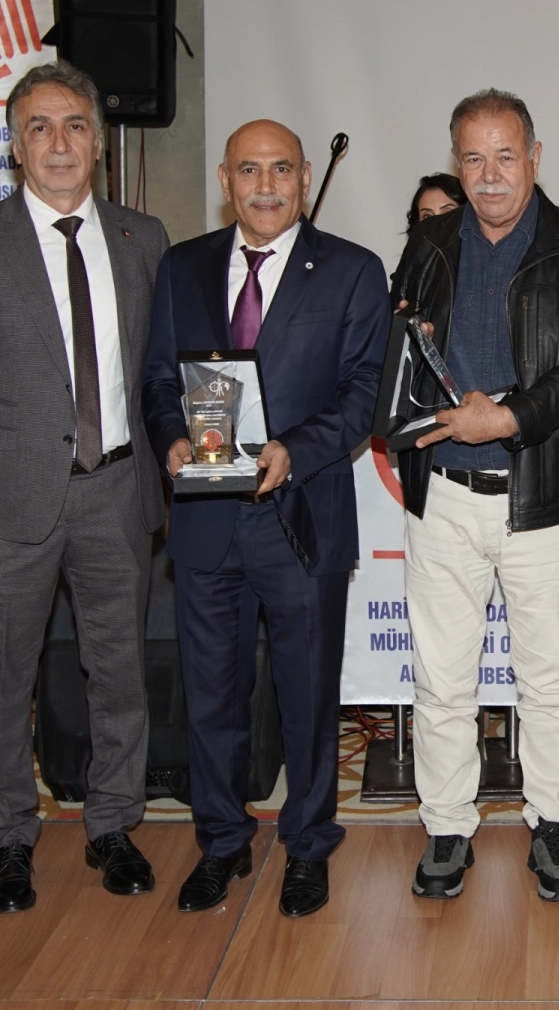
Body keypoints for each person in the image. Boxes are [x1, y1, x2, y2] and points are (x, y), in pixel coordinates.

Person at [0, 60, 170, 913]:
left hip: (117, 493)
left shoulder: (143, 237)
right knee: (4, 681)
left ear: (98, 143)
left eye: (74, 126)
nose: (59, 143)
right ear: (16, 147)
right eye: (39, 127)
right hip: (4, 508)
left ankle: (113, 825)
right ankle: (11, 839)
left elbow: (157, 374)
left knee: (119, 672)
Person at [142, 119, 389, 919]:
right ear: (226, 180)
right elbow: (158, 380)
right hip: (206, 520)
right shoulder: (181, 267)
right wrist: (171, 438)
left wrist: (296, 449)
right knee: (210, 695)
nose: (266, 185)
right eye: (248, 170)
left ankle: (308, 845)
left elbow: (364, 390)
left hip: (301, 518)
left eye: (281, 169)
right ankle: (222, 842)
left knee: (307, 698)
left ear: (305, 175)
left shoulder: (352, 270)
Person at [390, 88, 559, 902]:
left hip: (541, 496)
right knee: (441, 679)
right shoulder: (429, 242)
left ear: (534, 157)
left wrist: (508, 418)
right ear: (456, 164)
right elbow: (400, 343)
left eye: (505, 156)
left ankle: (553, 825)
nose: (489, 176)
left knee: (550, 680)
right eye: (473, 159)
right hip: (442, 496)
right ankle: (447, 827)